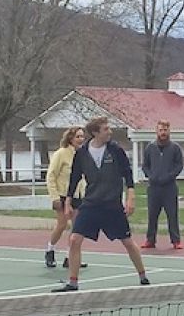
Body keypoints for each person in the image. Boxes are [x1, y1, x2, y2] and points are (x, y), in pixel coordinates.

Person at [52, 117, 149, 292]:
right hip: (91, 204)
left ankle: (143, 275)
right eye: (106, 129)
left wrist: (131, 197)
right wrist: (68, 201)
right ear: (96, 133)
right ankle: (73, 282)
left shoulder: (116, 150)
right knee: (74, 239)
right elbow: (74, 177)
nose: (110, 132)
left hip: (112, 205)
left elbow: (127, 174)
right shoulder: (82, 153)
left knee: (127, 241)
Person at [44, 126, 87, 268]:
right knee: (62, 224)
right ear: (70, 138)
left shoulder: (83, 154)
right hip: (62, 195)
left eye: (82, 137)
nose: (81, 139)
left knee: (77, 228)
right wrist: (54, 197)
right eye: (78, 137)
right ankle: (50, 250)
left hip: (77, 196)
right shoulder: (61, 154)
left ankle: (70, 257)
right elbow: (51, 175)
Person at [141, 120, 184, 249]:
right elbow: (145, 166)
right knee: (152, 215)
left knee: (172, 215)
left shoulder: (175, 148)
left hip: (169, 187)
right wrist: (150, 175)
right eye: (161, 130)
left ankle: (176, 240)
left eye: (165, 130)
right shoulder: (150, 148)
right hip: (153, 187)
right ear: (157, 131)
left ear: (169, 131)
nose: (163, 132)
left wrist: (169, 176)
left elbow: (179, 166)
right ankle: (150, 240)